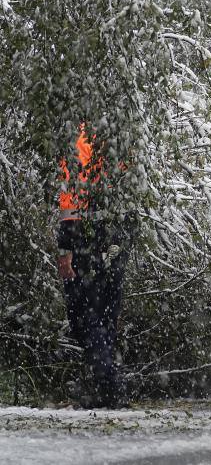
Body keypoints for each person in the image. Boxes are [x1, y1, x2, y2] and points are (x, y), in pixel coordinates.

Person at [56, 124, 136, 408]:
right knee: (104, 316)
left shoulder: (78, 141)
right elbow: (134, 191)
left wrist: (65, 249)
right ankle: (108, 386)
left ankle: (111, 387)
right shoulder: (122, 132)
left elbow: (69, 202)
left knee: (85, 318)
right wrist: (123, 239)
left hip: (84, 237)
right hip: (115, 236)